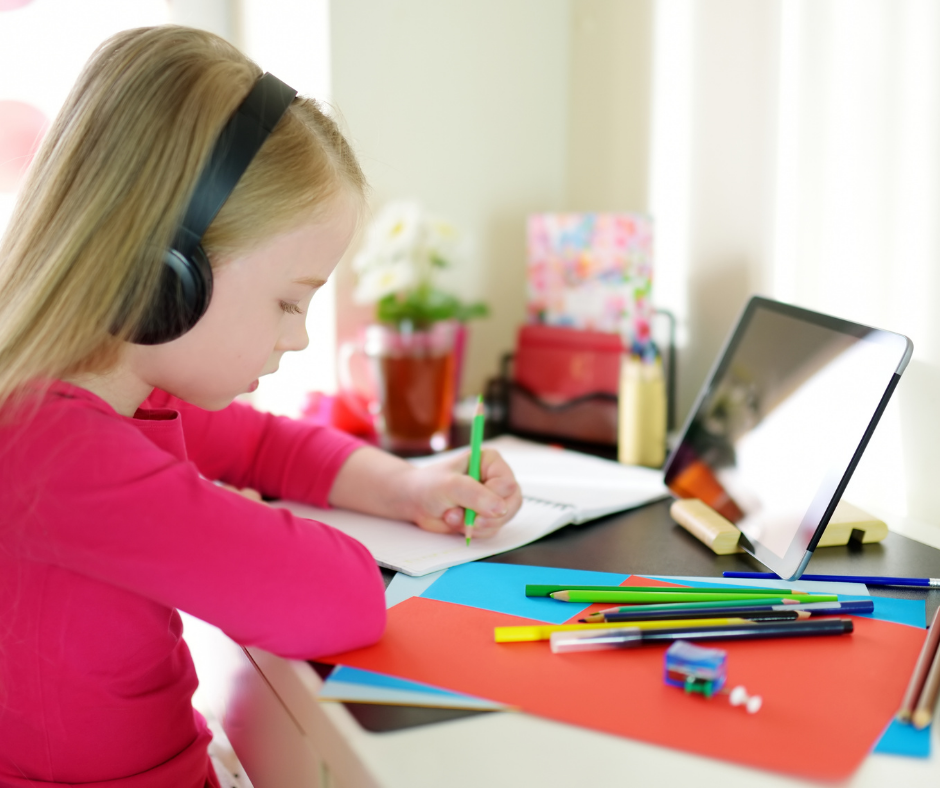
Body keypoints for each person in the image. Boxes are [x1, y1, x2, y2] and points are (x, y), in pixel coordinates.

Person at [0, 25, 522, 788]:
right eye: (288, 300)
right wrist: (217, 516)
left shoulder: (75, 398)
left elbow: (264, 447)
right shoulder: (64, 460)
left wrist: (407, 486)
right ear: (165, 272)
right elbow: (340, 599)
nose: (299, 337)